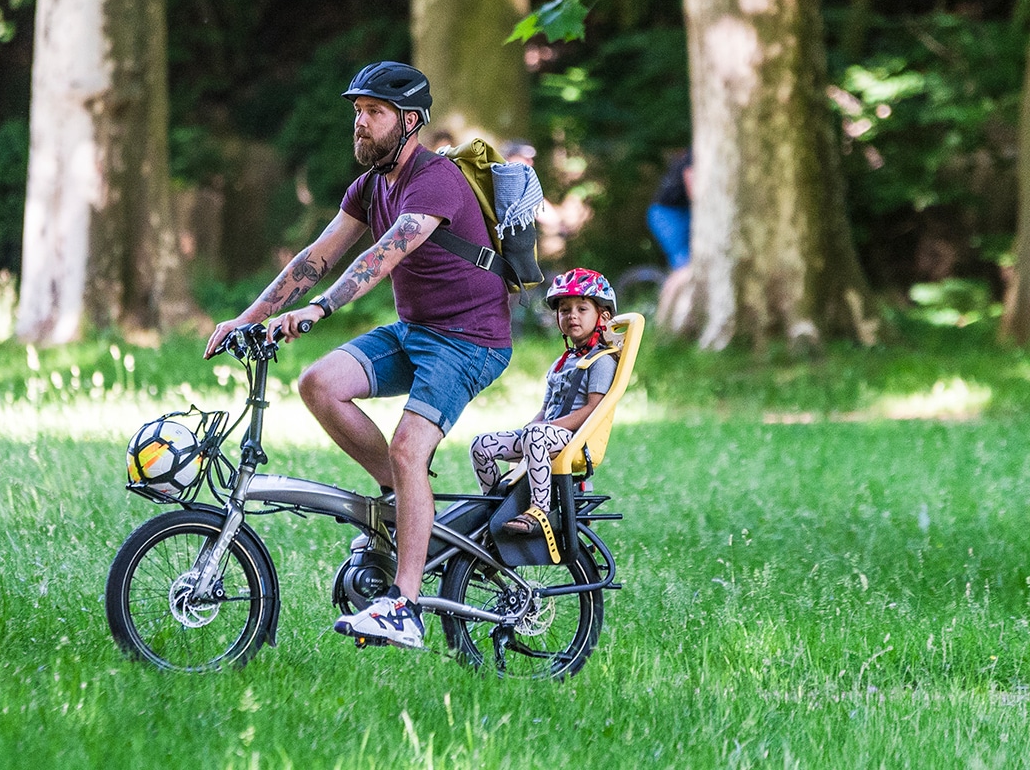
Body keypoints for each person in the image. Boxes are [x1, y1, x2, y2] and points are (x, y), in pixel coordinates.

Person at [206, 60, 513, 650]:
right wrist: (247, 319)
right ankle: (403, 499)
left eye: (375, 113)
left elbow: (382, 258)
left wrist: (318, 310)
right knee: (319, 383)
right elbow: (318, 256)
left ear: (411, 122)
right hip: (416, 329)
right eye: (357, 113)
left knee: (408, 446)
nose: (361, 124)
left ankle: (406, 605)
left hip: (470, 340)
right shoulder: (371, 186)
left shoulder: (436, 181)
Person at [468, 269, 617, 540]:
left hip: (576, 440)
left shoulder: (602, 361)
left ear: (603, 317)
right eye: (564, 310)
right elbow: (545, 409)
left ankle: (538, 510)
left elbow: (593, 410)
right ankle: (496, 506)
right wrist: (531, 428)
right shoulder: (561, 364)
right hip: (547, 434)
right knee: (481, 445)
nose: (572, 315)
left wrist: (543, 429)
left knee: (536, 435)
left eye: (582, 308)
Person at [647, 148, 692, 270]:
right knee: (686, 264)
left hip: (684, 210)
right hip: (666, 213)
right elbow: (693, 192)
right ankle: (669, 288)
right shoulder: (695, 154)